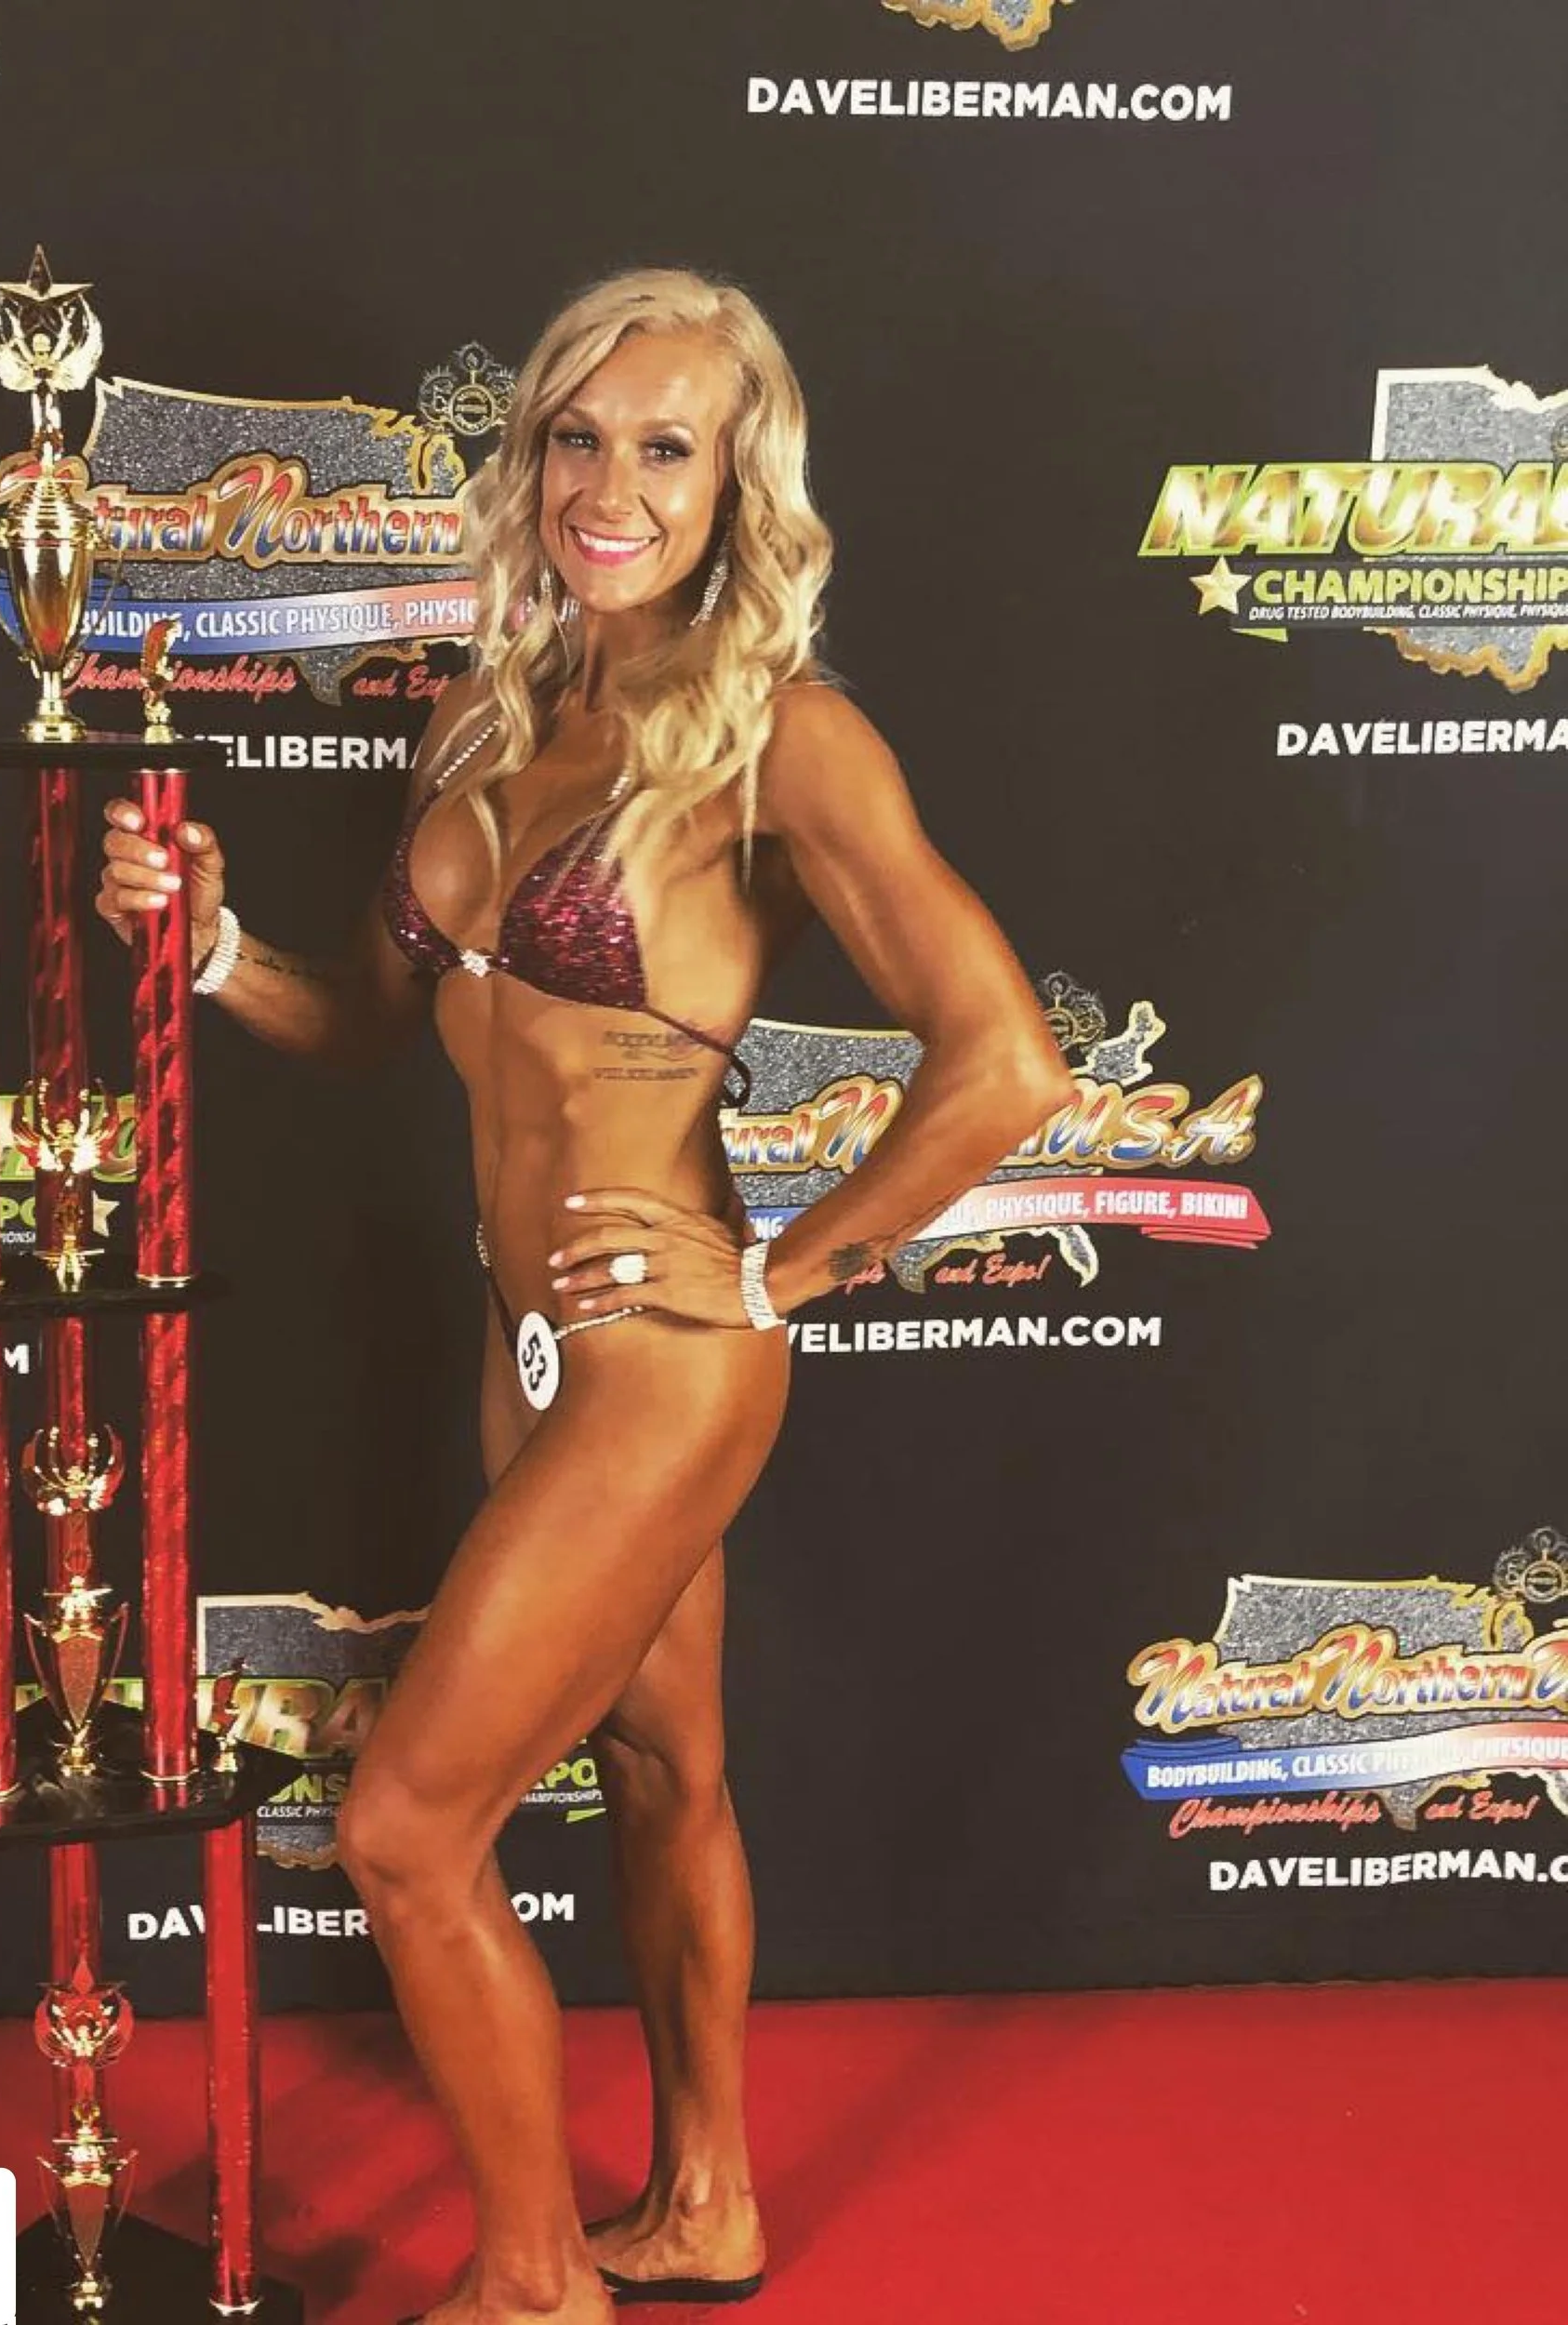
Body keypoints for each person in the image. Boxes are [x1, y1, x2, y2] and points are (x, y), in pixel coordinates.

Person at [97, 268, 1075, 2325]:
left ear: (738, 486)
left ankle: (533, 2279)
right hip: (518, 1348)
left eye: (664, 446)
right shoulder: (486, 714)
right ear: (528, 448)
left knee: (404, 1829)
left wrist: (776, 1266)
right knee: (657, 1772)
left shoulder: (777, 738)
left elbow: (1004, 1058)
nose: (607, 484)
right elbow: (378, 1023)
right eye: (575, 434)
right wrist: (210, 952)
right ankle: (701, 2196)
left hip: (660, 1363)